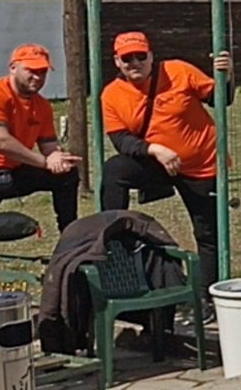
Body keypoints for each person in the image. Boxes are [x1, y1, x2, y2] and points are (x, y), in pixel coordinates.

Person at [99, 31, 232, 301]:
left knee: (208, 232)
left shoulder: (179, 71)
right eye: (127, 59)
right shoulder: (111, 95)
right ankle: (114, 242)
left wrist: (227, 76)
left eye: (140, 56)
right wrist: (154, 149)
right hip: (159, 162)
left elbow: (221, 99)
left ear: (151, 56)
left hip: (202, 164)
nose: (135, 63)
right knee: (115, 170)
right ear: (117, 62)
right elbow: (121, 140)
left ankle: (207, 295)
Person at [0, 44, 81, 230]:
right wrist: (44, 162)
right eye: (31, 70)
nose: (37, 77)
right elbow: (0, 141)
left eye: (42, 71)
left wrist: (57, 157)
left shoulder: (41, 106)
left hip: (5, 173)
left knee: (65, 175)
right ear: (13, 68)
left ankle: (71, 238)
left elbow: (49, 145)